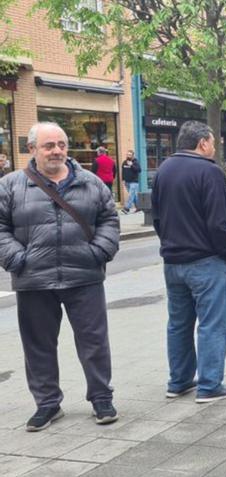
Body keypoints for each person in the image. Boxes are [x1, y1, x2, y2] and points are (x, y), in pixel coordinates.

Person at [0, 122, 120, 431]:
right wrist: (17, 259)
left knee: (94, 342)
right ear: (32, 150)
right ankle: (47, 404)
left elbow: (109, 220)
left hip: (84, 276)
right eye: (49, 145)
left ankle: (101, 398)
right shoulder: (11, 185)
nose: (57, 151)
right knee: (38, 344)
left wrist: (98, 252)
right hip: (34, 280)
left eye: (62, 145)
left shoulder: (90, 183)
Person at [152, 121, 226, 403]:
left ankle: (178, 381)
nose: (214, 148)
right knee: (213, 324)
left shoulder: (163, 170)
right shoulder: (209, 171)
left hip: (173, 260)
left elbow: (156, 217)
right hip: (206, 260)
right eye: (213, 142)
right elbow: (219, 221)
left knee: (178, 323)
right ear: (202, 143)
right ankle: (209, 384)